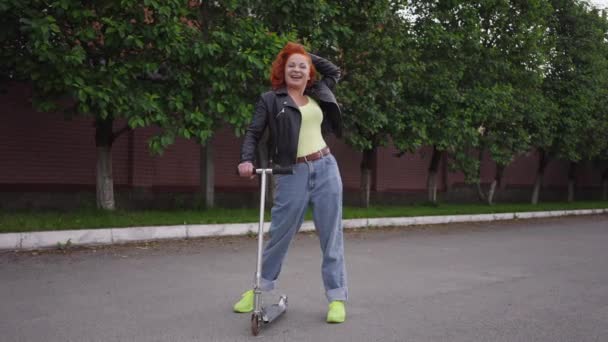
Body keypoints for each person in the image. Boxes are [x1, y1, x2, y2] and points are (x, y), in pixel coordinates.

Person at [233, 42, 348, 323]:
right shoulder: (270, 100)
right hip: (290, 173)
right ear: (282, 72)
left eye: (302, 66)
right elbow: (253, 133)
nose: (296, 70)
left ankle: (336, 298)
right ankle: (260, 289)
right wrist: (246, 159)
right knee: (280, 236)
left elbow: (334, 70)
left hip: (325, 167)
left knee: (331, 236)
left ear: (309, 72)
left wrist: (304, 53)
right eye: (290, 65)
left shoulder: (319, 91)